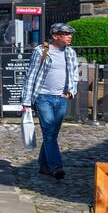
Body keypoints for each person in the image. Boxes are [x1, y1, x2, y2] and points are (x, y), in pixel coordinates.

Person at [21, 23, 79, 180]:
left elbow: (74, 74)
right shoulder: (41, 51)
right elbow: (31, 76)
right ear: (55, 36)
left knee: (52, 133)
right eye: (66, 34)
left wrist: (71, 91)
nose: (69, 36)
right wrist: (26, 102)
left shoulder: (71, 53)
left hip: (62, 98)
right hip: (43, 97)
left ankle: (43, 164)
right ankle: (56, 166)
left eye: (70, 34)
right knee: (49, 132)